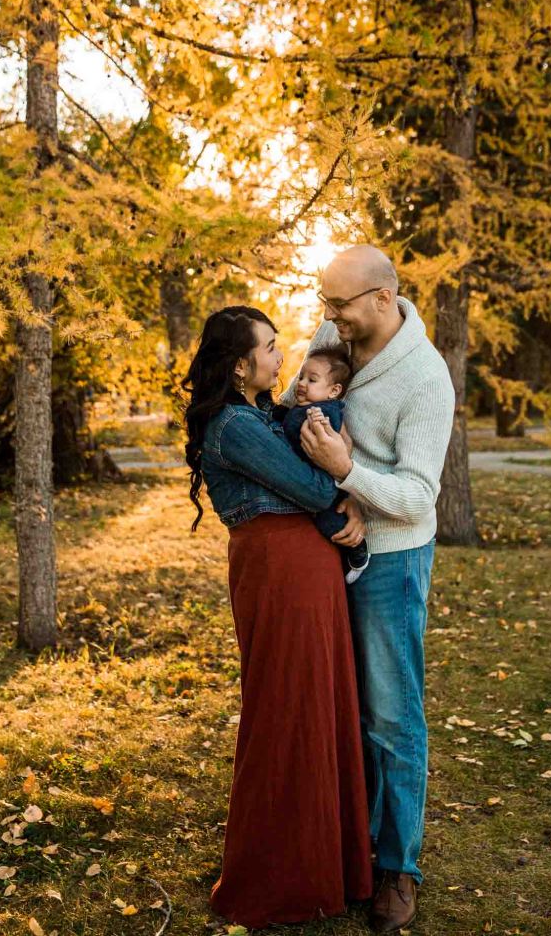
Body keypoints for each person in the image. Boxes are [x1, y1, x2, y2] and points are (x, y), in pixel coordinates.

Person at [279, 244, 455, 934]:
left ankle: (399, 867)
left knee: (391, 715)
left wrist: (350, 474)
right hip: (334, 548)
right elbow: (308, 402)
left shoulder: (427, 379)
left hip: (393, 561)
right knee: (346, 707)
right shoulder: (334, 337)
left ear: (383, 298)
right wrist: (338, 490)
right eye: (325, 303)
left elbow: (415, 497)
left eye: (340, 304)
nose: (327, 320)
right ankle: (356, 846)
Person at [182, 305, 372, 930]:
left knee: (317, 703)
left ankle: (330, 864)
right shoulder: (236, 426)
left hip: (305, 571)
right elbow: (317, 491)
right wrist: (341, 481)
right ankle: (278, 874)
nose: (279, 354)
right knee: (285, 707)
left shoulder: (262, 414)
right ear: (239, 365)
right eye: (268, 347)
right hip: (279, 572)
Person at [272, 344, 371, 583]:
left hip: (326, 484)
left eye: (312, 380)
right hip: (309, 479)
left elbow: (331, 439)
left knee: (330, 522)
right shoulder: (303, 407)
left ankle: (357, 553)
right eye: (302, 376)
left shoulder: (324, 411)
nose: (302, 383)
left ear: (334, 390)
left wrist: (321, 424)